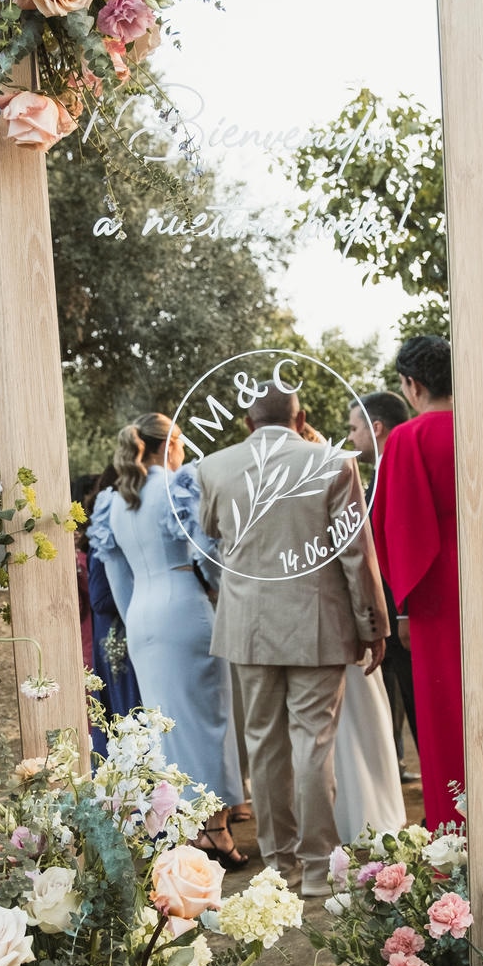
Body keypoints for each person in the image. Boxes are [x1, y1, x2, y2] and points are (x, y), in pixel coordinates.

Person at [191, 381, 388, 897]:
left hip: (248, 628)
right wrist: (374, 625)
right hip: (317, 626)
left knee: (264, 745)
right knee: (313, 744)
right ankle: (319, 868)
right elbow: (355, 554)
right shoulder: (334, 463)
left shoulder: (212, 467)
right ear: (301, 420)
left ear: (248, 424)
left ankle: (279, 866)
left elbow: (211, 529)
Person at [88, 414, 245, 866]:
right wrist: (217, 587)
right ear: (170, 444)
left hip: (141, 617)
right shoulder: (178, 485)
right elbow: (207, 551)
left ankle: (177, 829)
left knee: (164, 727)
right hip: (185, 607)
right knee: (207, 719)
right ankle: (214, 831)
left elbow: (117, 577)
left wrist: (137, 618)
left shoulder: (111, 502)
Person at [370, 335, 463, 832]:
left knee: (443, 715)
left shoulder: (406, 439)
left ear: (412, 384)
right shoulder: (481, 428)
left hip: (434, 594)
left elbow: (395, 529)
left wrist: (402, 608)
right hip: (482, 584)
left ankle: (451, 829)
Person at [347, 390, 417, 773]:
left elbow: (403, 541)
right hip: (385, 614)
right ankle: (395, 763)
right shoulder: (378, 472)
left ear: (376, 427)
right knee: (393, 693)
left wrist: (403, 614)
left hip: (405, 614)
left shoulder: (401, 468)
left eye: (355, 429)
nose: (352, 438)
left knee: (418, 703)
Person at [81, 466, 141, 752]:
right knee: (125, 717)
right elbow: (99, 598)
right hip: (116, 639)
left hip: (122, 635)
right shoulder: (104, 536)